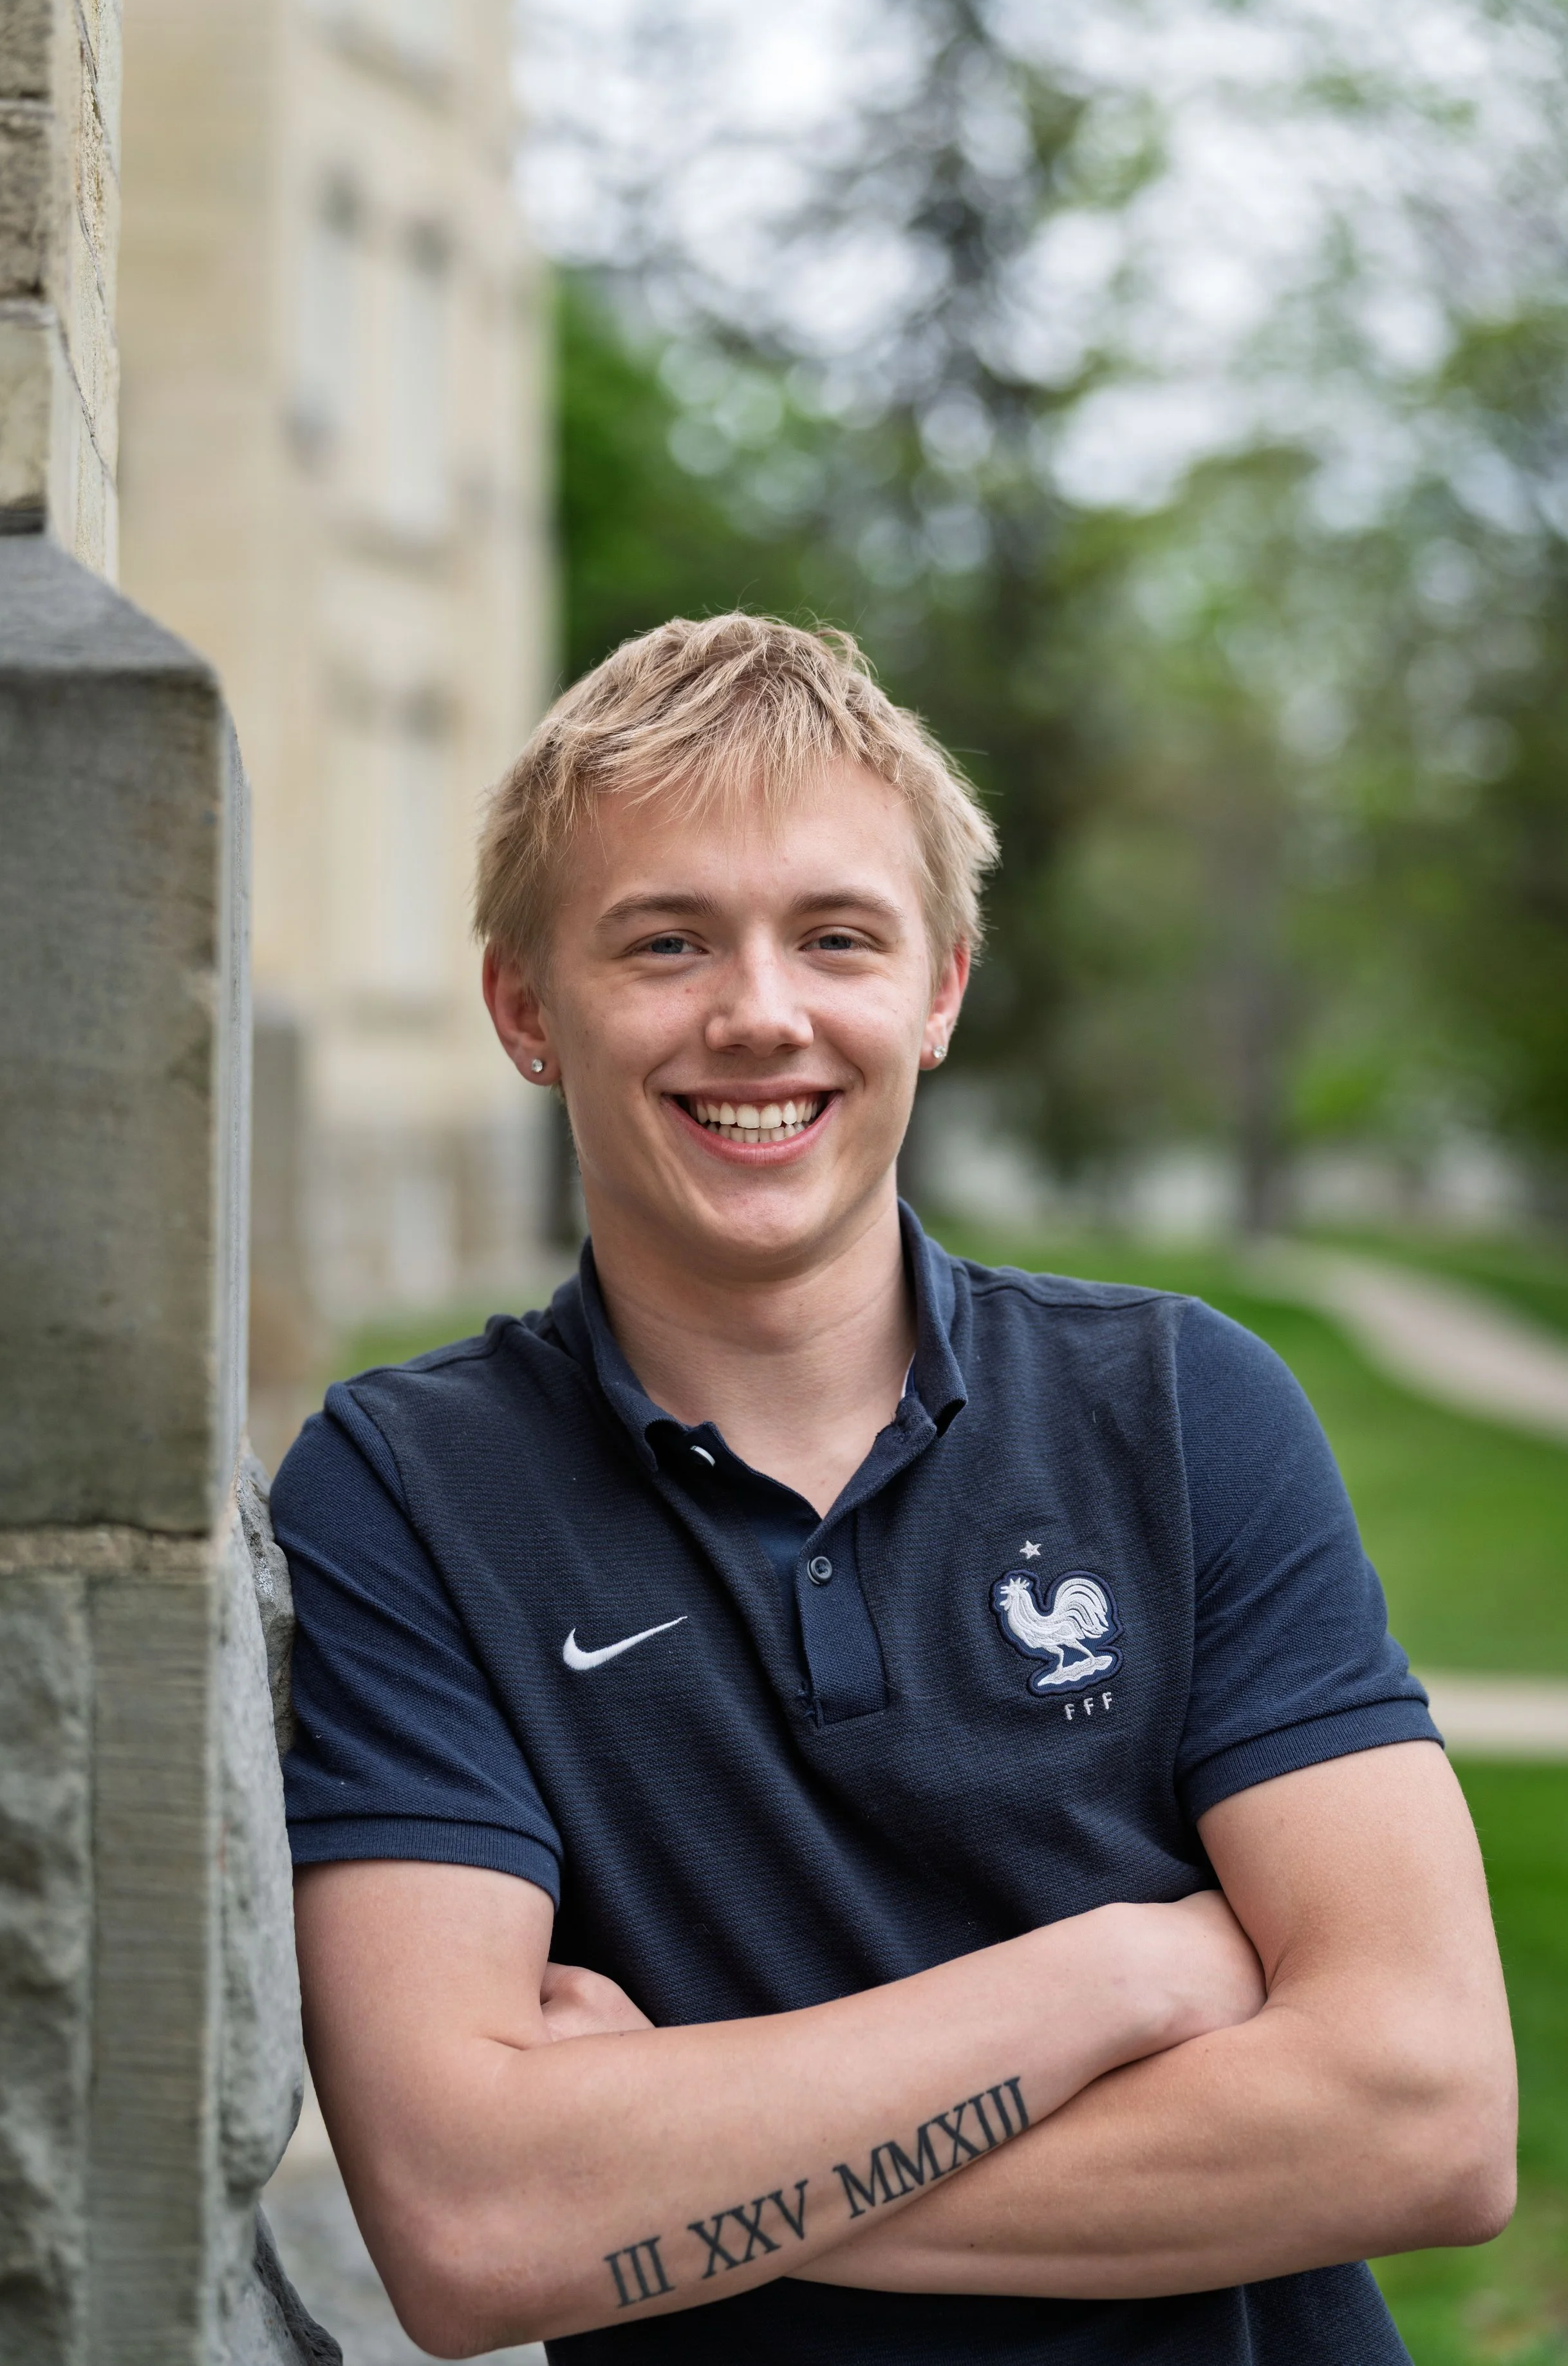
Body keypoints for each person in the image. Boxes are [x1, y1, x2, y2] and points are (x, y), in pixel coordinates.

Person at [273, 614, 1515, 2365]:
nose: (759, 1012)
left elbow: (1427, 2112)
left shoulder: (1182, 1406)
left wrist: (659, 2182)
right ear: (524, 1007)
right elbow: (475, 2221)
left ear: (937, 988)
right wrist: (1120, 1976)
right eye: (666, 940)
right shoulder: (400, 1493)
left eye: (836, 937)